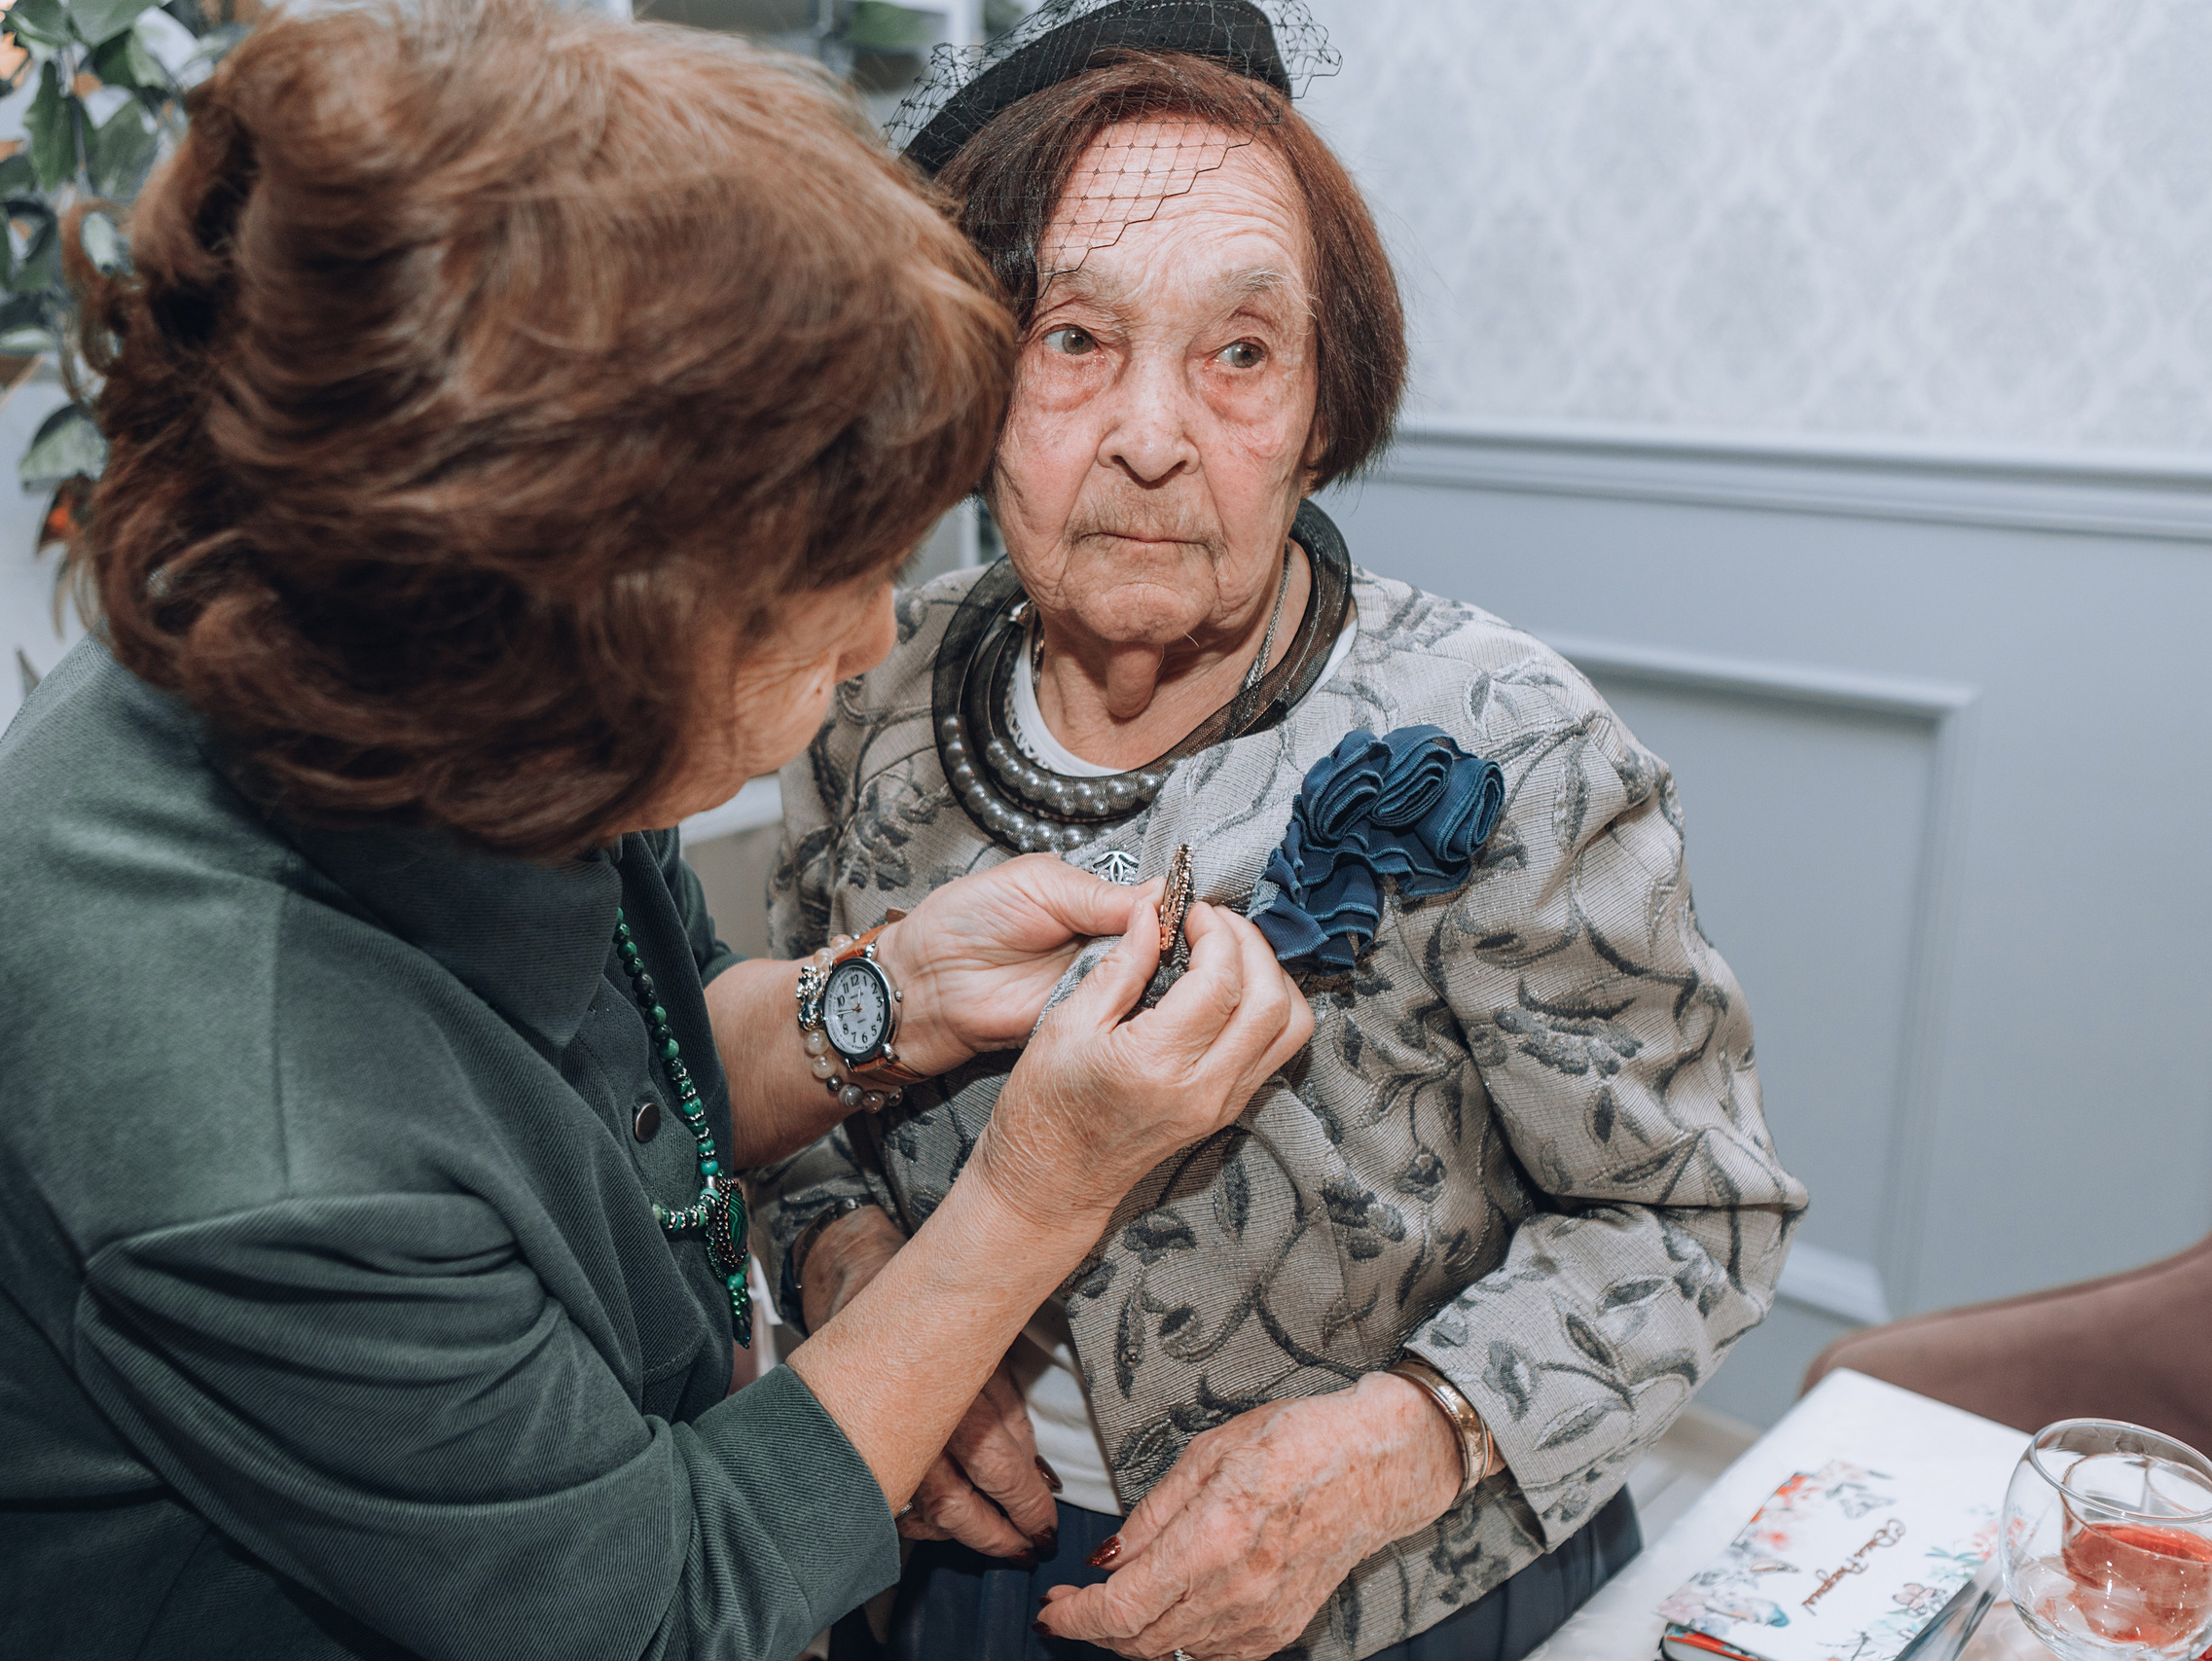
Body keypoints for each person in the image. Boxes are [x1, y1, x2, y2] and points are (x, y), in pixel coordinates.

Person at [0, 5, 1313, 1659]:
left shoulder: (408, 678)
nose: (874, 636)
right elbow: (665, 1613)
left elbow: (617, 1065)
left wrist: (891, 995)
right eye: (827, 585)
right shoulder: (233, 1113)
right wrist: (1035, 1195)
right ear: (575, 642)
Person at [757, 6, 1811, 1660]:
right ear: (969, 380)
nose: (1155, 437)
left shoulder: (1511, 739)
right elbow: (791, 1075)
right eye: (1073, 340)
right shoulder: (858, 688)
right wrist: (851, 1267)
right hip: (938, 1564)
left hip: (1387, 1589)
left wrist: (1400, 1444)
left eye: (1241, 353)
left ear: (1324, 406)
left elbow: (1696, 1219)